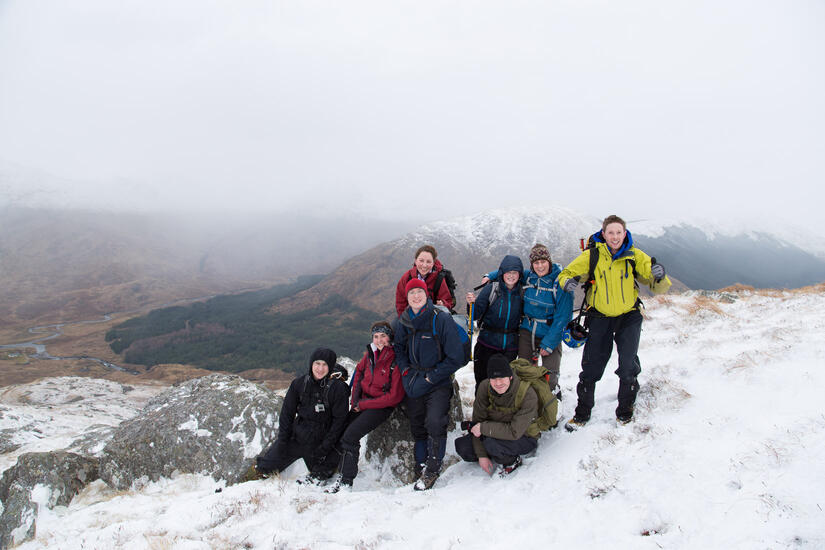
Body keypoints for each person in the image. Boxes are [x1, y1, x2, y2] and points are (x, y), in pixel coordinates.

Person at [558, 215, 671, 429]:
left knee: (628, 364)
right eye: (611, 232)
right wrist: (567, 282)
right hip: (599, 318)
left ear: (625, 233)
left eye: (619, 232)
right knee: (591, 367)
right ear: (604, 234)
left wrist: (660, 277)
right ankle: (582, 414)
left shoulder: (635, 256)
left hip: (628, 316)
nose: (615, 236)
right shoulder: (592, 256)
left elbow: (657, 286)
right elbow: (566, 273)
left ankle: (625, 411)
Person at [393, 278, 464, 490]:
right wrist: (406, 371)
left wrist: (432, 377)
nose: (416, 296)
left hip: (437, 380)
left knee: (434, 421)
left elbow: (456, 357)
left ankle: (432, 469)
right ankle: (420, 462)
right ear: (407, 298)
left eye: (419, 292)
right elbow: (398, 349)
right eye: (411, 293)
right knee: (416, 422)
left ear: (427, 295)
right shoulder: (403, 321)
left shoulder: (440, 319)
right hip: (414, 377)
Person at [246, 348, 350, 484]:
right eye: (317, 364)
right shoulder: (299, 384)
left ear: (330, 367)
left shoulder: (338, 389)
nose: (320, 368)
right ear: (311, 364)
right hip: (299, 437)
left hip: (324, 441)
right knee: (266, 467)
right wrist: (283, 441)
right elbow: (287, 414)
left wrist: (325, 447)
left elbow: (339, 422)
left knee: (320, 474)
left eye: (325, 365)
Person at [478, 244, 573, 394]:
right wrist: (490, 275)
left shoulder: (559, 282)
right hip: (527, 330)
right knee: (523, 370)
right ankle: (528, 401)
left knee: (550, 375)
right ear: (532, 264)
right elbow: (510, 272)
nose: (540, 266)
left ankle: (551, 401)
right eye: (536, 263)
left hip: (550, 331)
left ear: (549, 261)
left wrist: (549, 343)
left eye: (543, 262)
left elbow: (564, 316)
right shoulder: (529, 276)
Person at [326, 321, 405, 493]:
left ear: (390, 338)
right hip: (363, 402)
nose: (379, 340)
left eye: (383, 336)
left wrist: (362, 404)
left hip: (381, 407)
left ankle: (346, 481)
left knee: (350, 436)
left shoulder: (395, 360)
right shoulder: (370, 354)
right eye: (376, 336)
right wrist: (355, 400)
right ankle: (330, 469)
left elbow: (393, 397)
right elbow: (359, 372)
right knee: (340, 430)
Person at [454, 354, 538, 477]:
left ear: (510, 377)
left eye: (502, 378)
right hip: (492, 432)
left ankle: (511, 461)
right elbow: (477, 423)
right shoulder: (484, 387)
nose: (498, 383)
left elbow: (514, 432)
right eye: (493, 379)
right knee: (463, 447)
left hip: (523, 437)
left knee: (491, 444)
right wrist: (481, 455)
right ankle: (494, 452)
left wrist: (483, 428)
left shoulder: (527, 394)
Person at [465, 254, 525, 390]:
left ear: (520, 274)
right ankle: (482, 410)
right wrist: (471, 305)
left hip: (510, 347)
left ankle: (500, 411)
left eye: (515, 272)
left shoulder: (522, 292)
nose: (511, 276)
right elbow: (474, 315)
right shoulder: (491, 289)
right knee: (483, 383)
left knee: (504, 386)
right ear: (502, 273)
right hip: (487, 345)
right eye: (508, 272)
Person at [395, 245, 454, 316]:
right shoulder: (407, 278)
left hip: (433, 318)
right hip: (412, 317)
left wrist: (442, 304)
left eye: (428, 262)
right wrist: (406, 321)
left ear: (433, 263)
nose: (424, 265)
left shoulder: (439, 279)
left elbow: (448, 301)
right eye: (421, 261)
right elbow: (401, 303)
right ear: (416, 261)